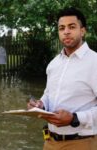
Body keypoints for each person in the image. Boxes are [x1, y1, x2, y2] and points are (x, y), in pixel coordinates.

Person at [27, 7, 97, 150]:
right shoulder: (54, 64)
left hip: (83, 143)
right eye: (61, 28)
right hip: (49, 142)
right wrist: (41, 105)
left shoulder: (94, 62)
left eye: (72, 27)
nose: (66, 31)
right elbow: (48, 94)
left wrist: (75, 118)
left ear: (82, 31)